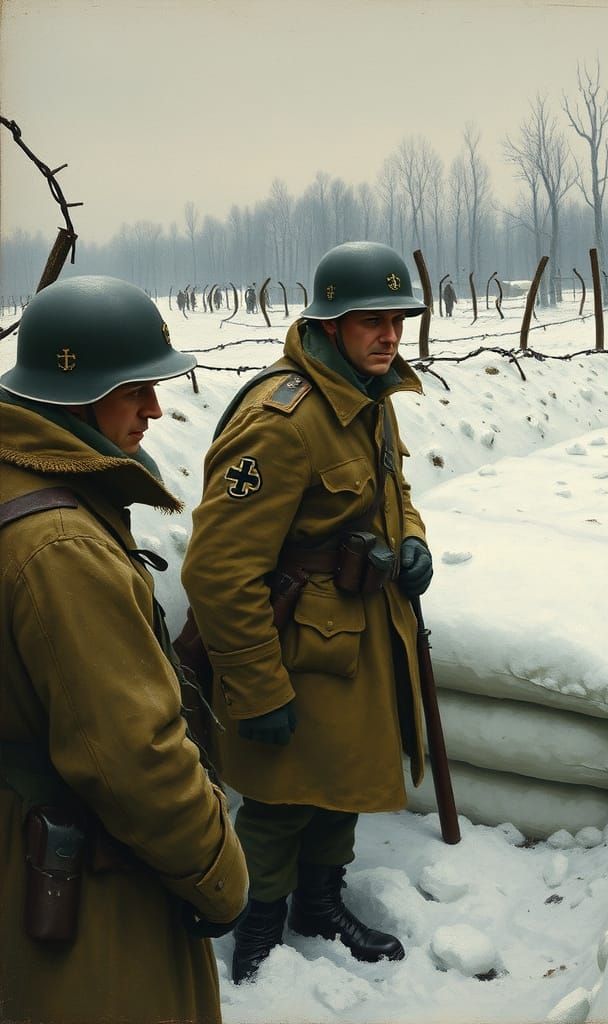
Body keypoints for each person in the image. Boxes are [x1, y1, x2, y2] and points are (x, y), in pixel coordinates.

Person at [181, 241, 435, 985]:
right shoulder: (282, 421)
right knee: (282, 800)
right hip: (294, 645)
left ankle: (320, 904)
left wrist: (412, 543)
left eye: (398, 319)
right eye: (371, 321)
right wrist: (256, 687)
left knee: (345, 782)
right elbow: (218, 570)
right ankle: (258, 930)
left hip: (360, 635)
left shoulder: (368, 396)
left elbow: (396, 495)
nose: (390, 335)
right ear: (329, 325)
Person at [0, 275, 249, 1024]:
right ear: (75, 396)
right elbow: (131, 757)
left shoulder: (25, 490)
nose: (155, 408)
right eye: (134, 388)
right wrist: (217, 875)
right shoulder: (62, 545)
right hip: (81, 868)